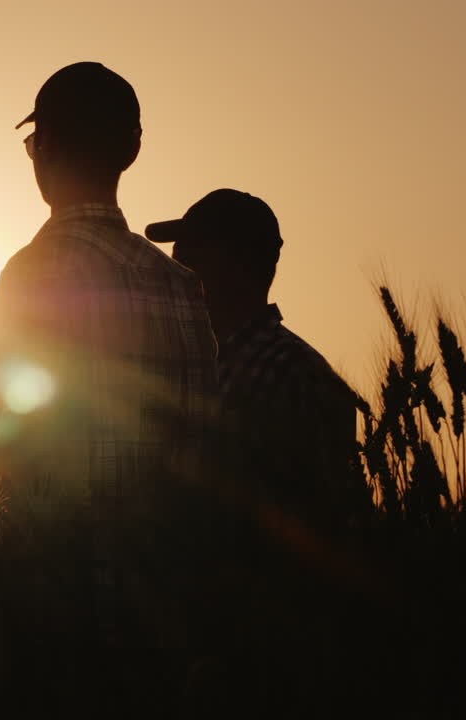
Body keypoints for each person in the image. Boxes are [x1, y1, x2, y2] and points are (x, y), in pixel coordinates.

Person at [0, 62, 219, 712]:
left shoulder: (33, 274)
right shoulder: (184, 288)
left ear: (43, 145)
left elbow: (11, 454)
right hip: (166, 626)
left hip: (65, 630)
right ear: (132, 150)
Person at [147, 189, 367, 715]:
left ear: (226, 263)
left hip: (258, 665)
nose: (177, 266)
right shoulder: (210, 367)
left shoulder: (285, 372)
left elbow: (304, 529)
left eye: (190, 252)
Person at [146, 189, 363, 522]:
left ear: (234, 264)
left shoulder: (293, 373)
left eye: (187, 256)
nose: (175, 270)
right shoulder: (202, 364)